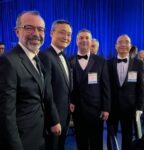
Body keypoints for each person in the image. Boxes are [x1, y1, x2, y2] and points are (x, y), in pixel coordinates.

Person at [0, 10, 59, 150]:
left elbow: (43, 95)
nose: (36, 33)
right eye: (29, 27)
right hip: (23, 141)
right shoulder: (8, 62)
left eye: (40, 29)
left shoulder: (36, 58)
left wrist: (53, 121)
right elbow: (6, 115)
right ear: (17, 31)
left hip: (40, 136)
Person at [69, 29, 111, 150]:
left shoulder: (101, 61)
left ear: (90, 40)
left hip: (96, 110)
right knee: (81, 142)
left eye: (87, 38)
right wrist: (70, 101)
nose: (84, 40)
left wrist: (106, 108)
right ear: (76, 41)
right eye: (81, 38)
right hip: (78, 110)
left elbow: (106, 86)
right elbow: (69, 86)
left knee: (96, 142)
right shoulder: (69, 61)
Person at [107, 34, 144, 150]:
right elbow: (106, 87)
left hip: (130, 108)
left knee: (127, 136)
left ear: (130, 46)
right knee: (110, 135)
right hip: (111, 108)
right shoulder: (108, 63)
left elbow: (141, 87)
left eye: (126, 42)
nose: (123, 44)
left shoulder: (138, 63)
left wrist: (140, 107)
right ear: (115, 46)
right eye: (120, 42)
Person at [40, 20, 72, 150]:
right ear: (51, 33)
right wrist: (54, 120)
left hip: (64, 115)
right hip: (54, 119)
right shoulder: (45, 56)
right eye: (62, 33)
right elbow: (46, 92)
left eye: (69, 34)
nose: (66, 37)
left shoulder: (65, 56)